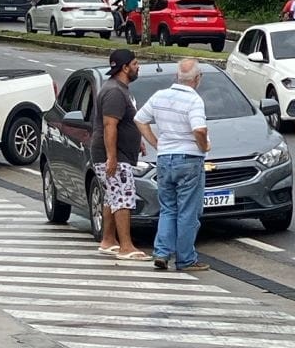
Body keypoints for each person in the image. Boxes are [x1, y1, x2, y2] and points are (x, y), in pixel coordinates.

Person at [135, 57, 211, 273]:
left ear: (176, 76)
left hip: (165, 159)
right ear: (198, 78)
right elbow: (199, 129)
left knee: (168, 208)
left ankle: (161, 252)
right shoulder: (194, 101)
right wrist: (203, 146)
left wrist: (157, 143)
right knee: (188, 211)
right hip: (188, 159)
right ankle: (186, 259)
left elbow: (140, 119)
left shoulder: (160, 96)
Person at [89, 48, 148, 262]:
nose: (137, 66)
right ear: (124, 68)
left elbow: (124, 122)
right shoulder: (115, 91)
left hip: (120, 153)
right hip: (115, 155)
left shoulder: (120, 88)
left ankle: (108, 240)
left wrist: (137, 141)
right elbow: (109, 126)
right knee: (122, 197)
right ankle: (126, 246)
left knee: (111, 197)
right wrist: (111, 158)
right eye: (134, 63)